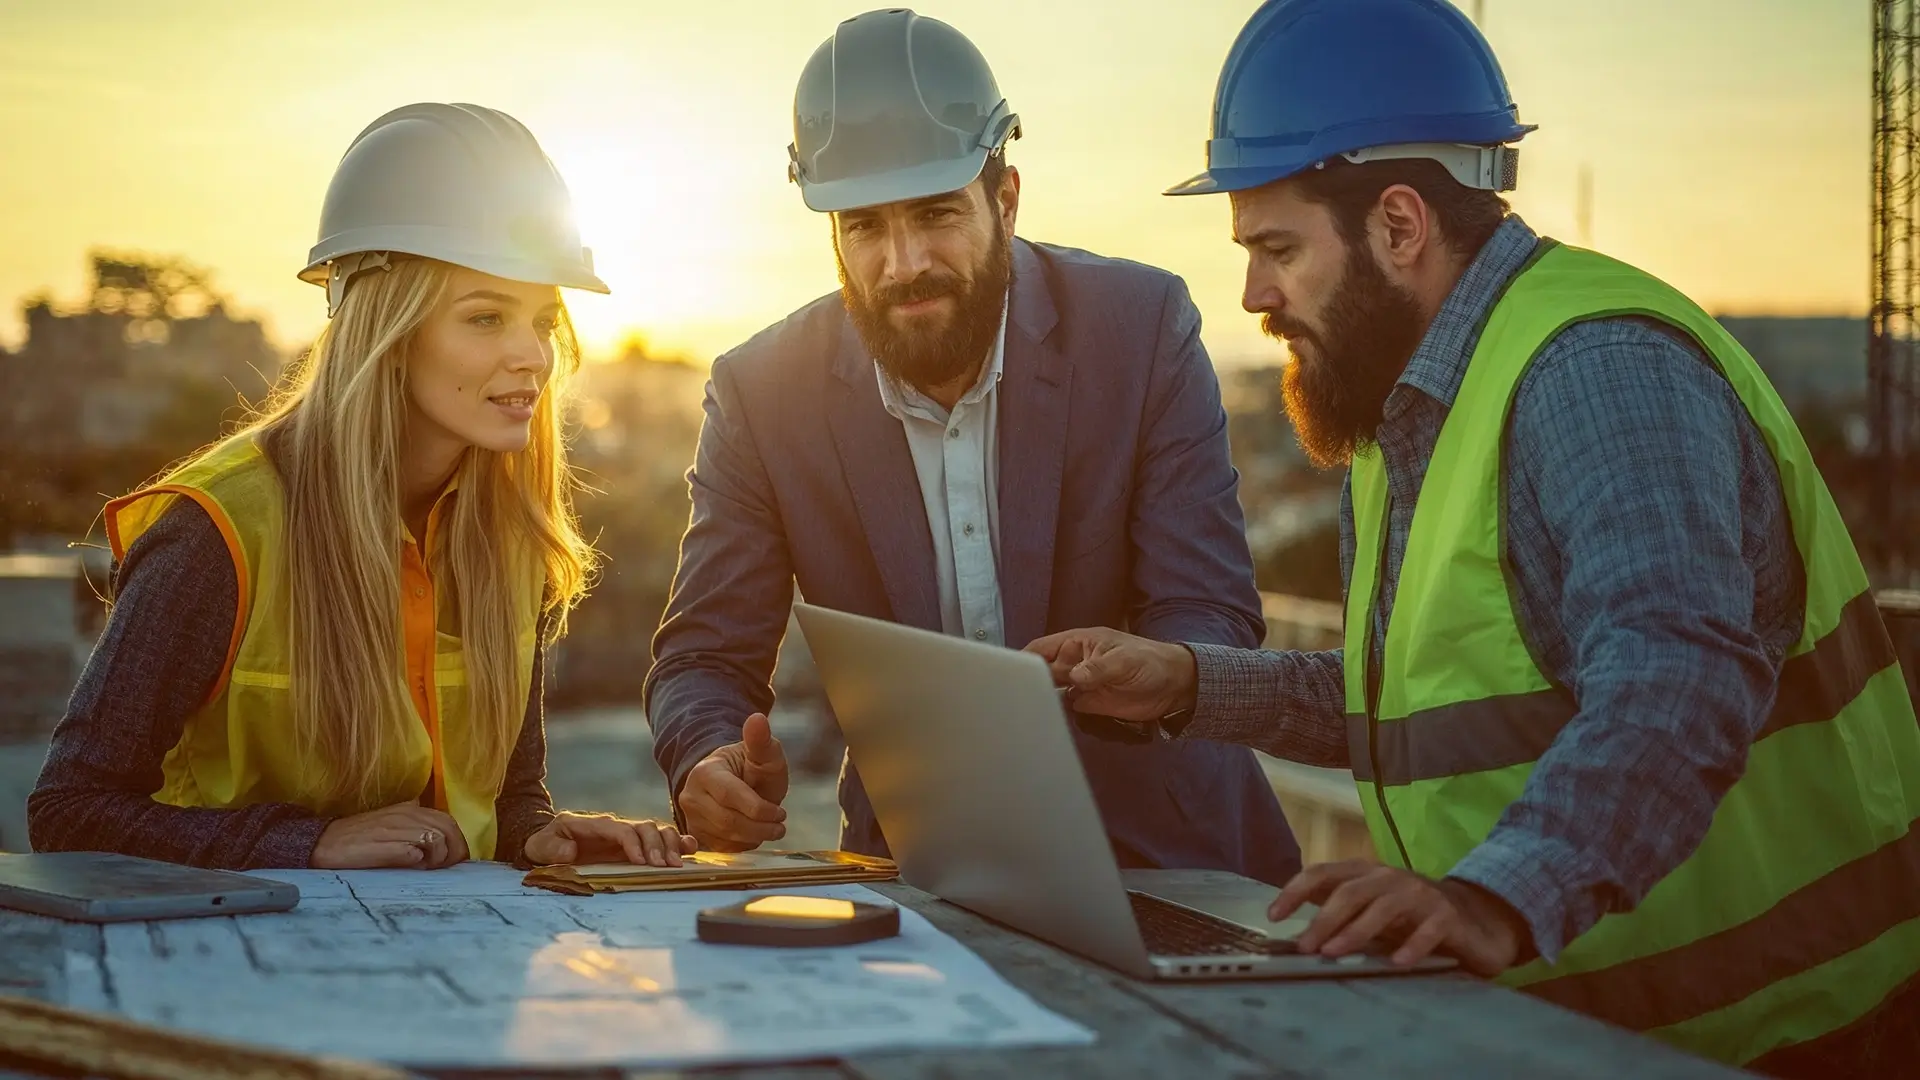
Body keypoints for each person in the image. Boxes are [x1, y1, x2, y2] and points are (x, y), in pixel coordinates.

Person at [1027, 0, 1920, 1074]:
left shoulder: (1594, 372)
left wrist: (1494, 899)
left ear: (1400, 225)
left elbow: (1678, 673)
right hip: (1569, 1031)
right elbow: (1422, 708)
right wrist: (1183, 683)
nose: (1254, 295)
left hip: (1779, 1036)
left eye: (1277, 249)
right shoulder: (1402, 414)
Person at [645, 8, 1300, 885]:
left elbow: (1210, 608)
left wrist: (1165, 669)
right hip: (920, 875)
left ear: (1007, 199)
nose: (903, 261)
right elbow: (704, 658)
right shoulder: (762, 395)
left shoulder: (1140, 331)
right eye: (864, 227)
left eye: (935, 213)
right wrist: (708, 757)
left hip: (1172, 860)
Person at [28, 103, 697, 873]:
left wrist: (540, 834)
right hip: (224, 971)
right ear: (388, 326)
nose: (532, 358)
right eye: (485, 318)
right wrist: (303, 843)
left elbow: (504, 798)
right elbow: (69, 812)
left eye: (542, 321)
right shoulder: (217, 534)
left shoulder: (511, 537)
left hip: (446, 972)